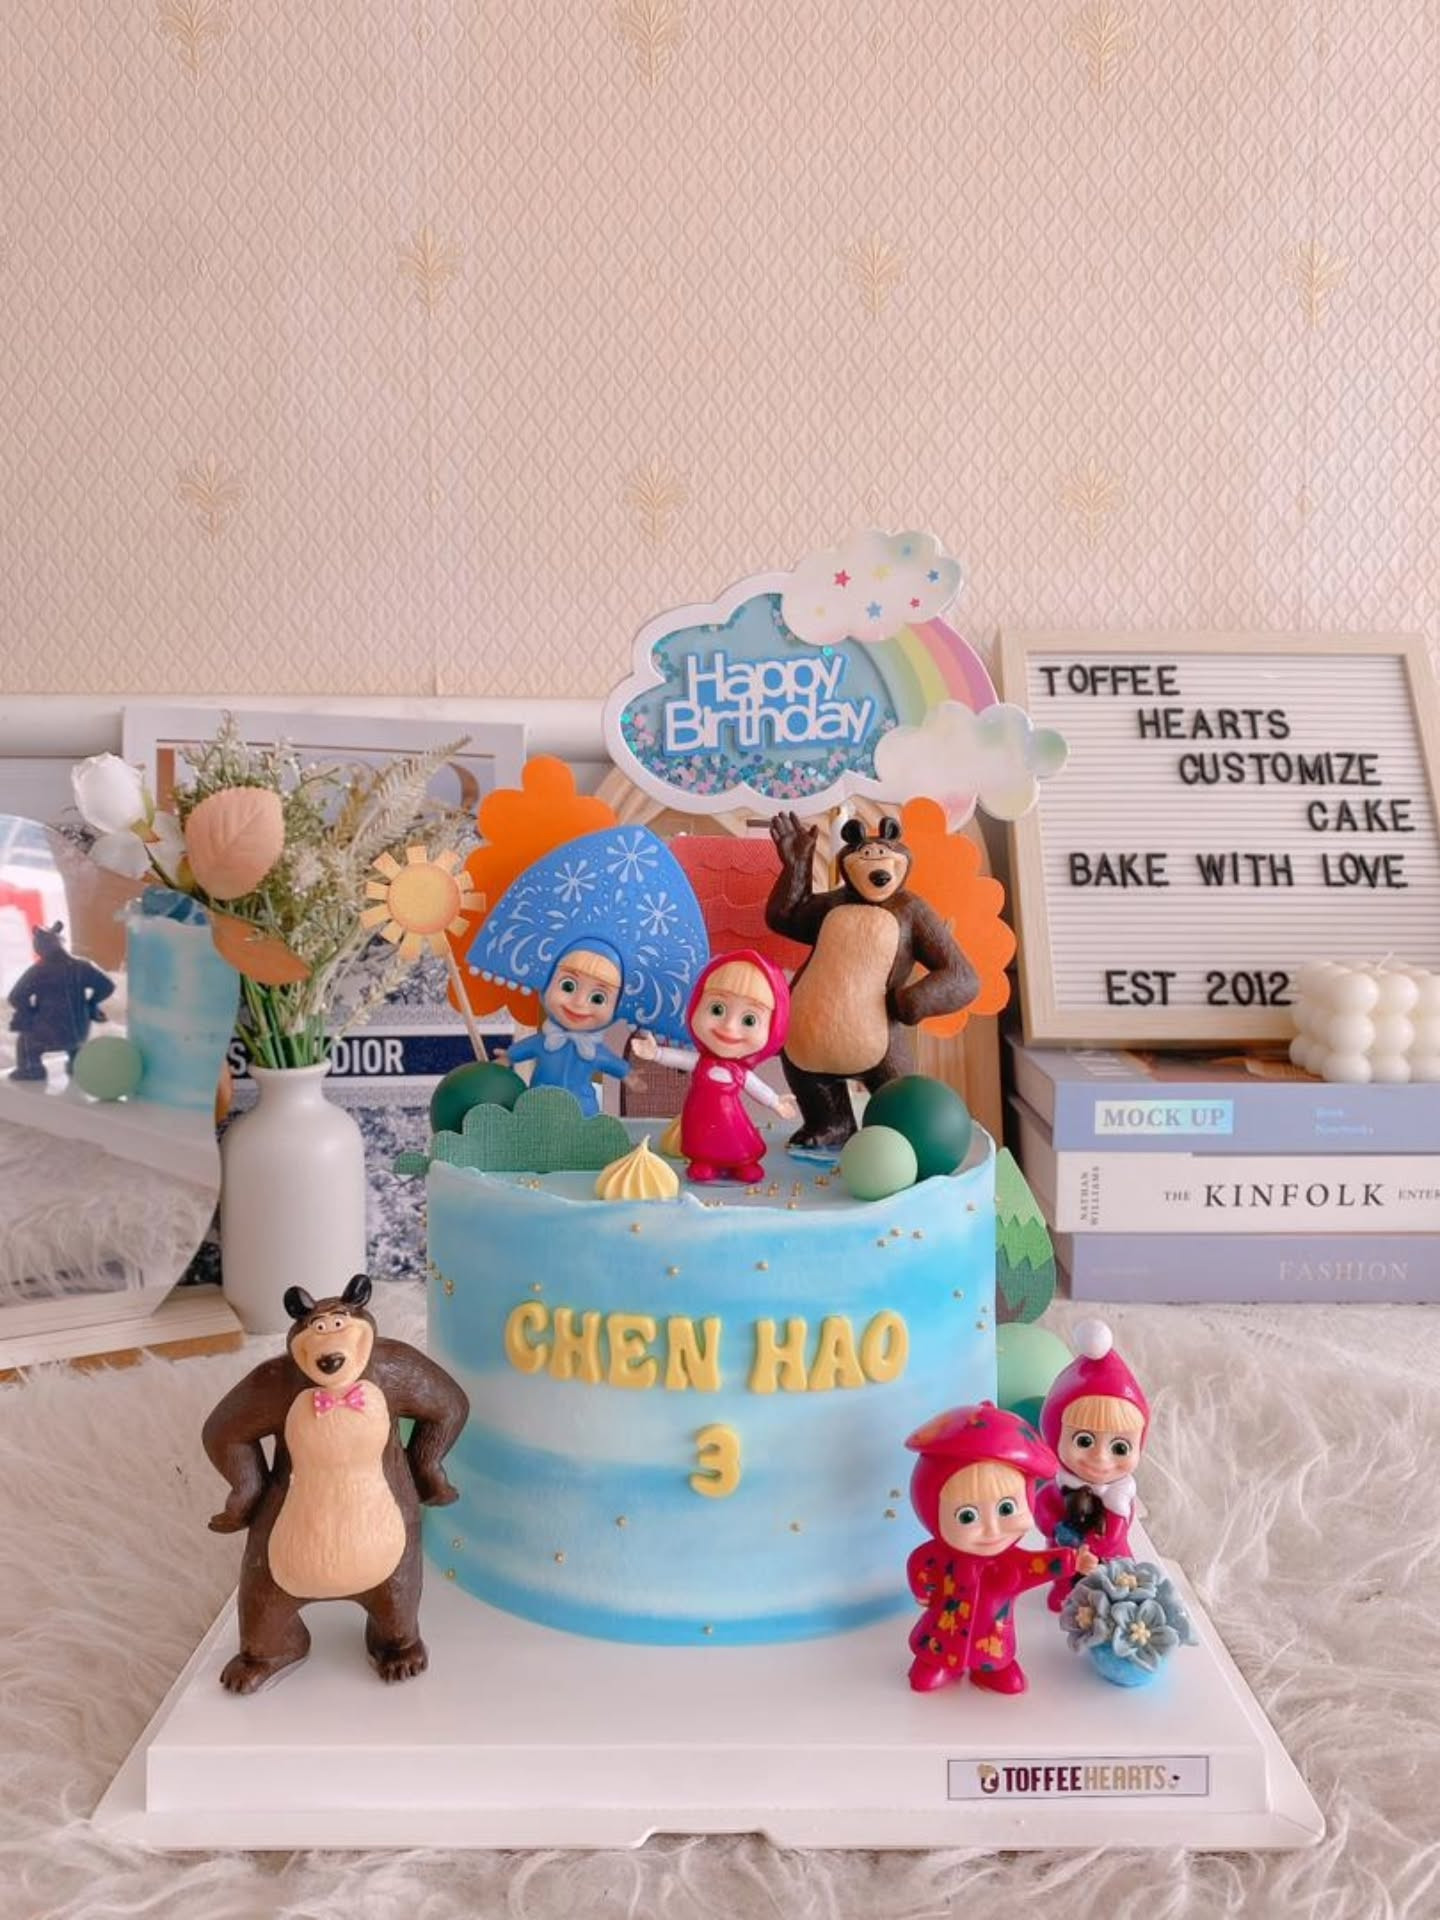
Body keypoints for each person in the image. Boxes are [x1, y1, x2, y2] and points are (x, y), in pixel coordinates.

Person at [905, 1401, 1096, 1695]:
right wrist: (923, 1590)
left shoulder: (1012, 1562)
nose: (992, 1530)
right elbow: (920, 1564)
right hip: (943, 1633)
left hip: (992, 1636)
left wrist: (1072, 1561)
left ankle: (992, 1669)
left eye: (1006, 1509)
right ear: (931, 1512)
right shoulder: (938, 1556)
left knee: (995, 1655)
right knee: (936, 1649)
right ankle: (937, 1663)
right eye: (967, 1516)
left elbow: (1039, 1565)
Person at [632, 950, 797, 1183]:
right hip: (700, 1117)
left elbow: (756, 1087)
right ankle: (704, 1161)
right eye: (717, 1009)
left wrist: (775, 1102)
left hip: (730, 1119)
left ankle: (743, 1162)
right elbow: (680, 1058)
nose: (729, 1027)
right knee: (701, 1139)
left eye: (749, 1020)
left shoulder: (739, 1073)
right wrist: (656, 1053)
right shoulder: (701, 1063)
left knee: (737, 1139)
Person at [1034, 1319, 1149, 1610]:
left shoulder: (1118, 1497)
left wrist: (1091, 1546)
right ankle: (1065, 1592)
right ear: (1056, 1435)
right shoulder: (1059, 1487)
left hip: (1110, 1561)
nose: (1100, 1457)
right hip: (1065, 1554)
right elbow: (1043, 1509)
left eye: (1119, 1447)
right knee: (1063, 1573)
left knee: (1117, 1582)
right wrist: (1058, 1529)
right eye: (1084, 1441)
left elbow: (1114, 1534)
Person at [500, 944, 630, 1117]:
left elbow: (610, 1061)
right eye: (568, 986)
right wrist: (508, 1056)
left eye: (598, 998)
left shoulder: (593, 1051)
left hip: (581, 1108)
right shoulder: (545, 1041)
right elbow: (526, 1047)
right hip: (541, 1104)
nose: (579, 1003)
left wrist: (627, 1074)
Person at [7, 921, 115, 1081]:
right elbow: (107, 986)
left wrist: (29, 1012)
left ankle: (31, 1069)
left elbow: (16, 997)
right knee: (77, 1046)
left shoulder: (38, 971)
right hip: (79, 1030)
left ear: (40, 948)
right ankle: (77, 1064)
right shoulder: (82, 966)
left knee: (26, 1043)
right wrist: (91, 1003)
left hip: (49, 1030)